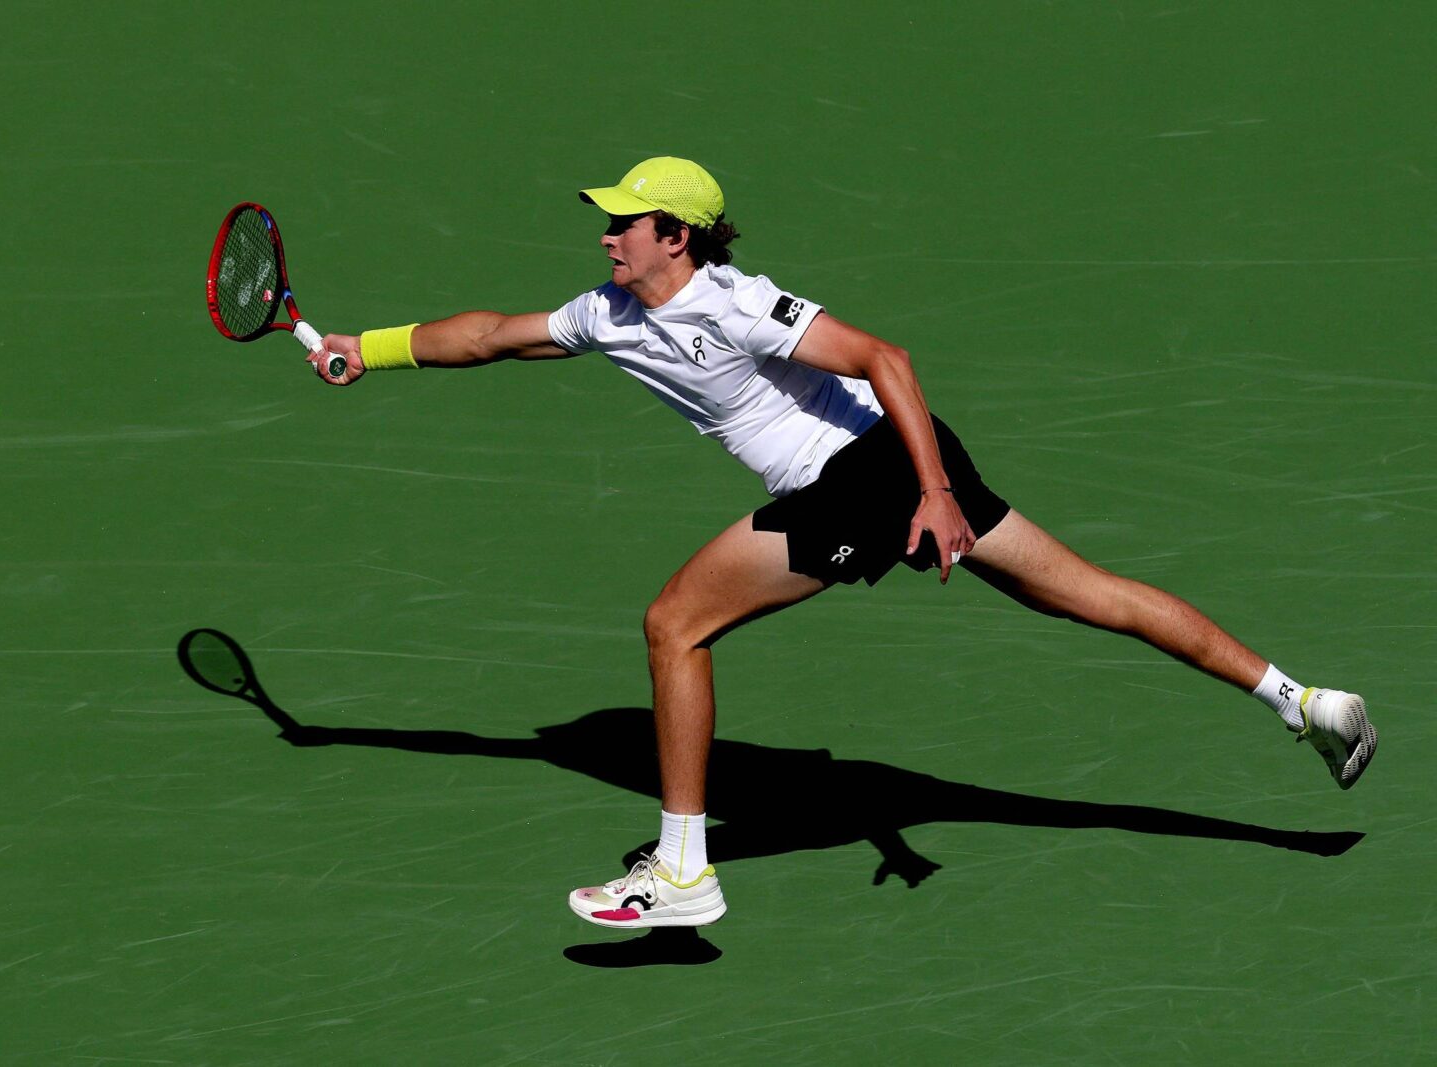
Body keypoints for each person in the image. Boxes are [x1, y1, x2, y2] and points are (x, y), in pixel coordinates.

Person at [306, 156, 1377, 929]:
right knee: (1088, 591)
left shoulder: (735, 303)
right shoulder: (607, 312)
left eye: (626, 221)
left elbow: (885, 358)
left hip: (871, 474)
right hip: (895, 469)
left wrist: (932, 493)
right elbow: (492, 335)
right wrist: (373, 348)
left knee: (676, 625)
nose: (606, 234)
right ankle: (1302, 701)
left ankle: (682, 871)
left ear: (676, 235)